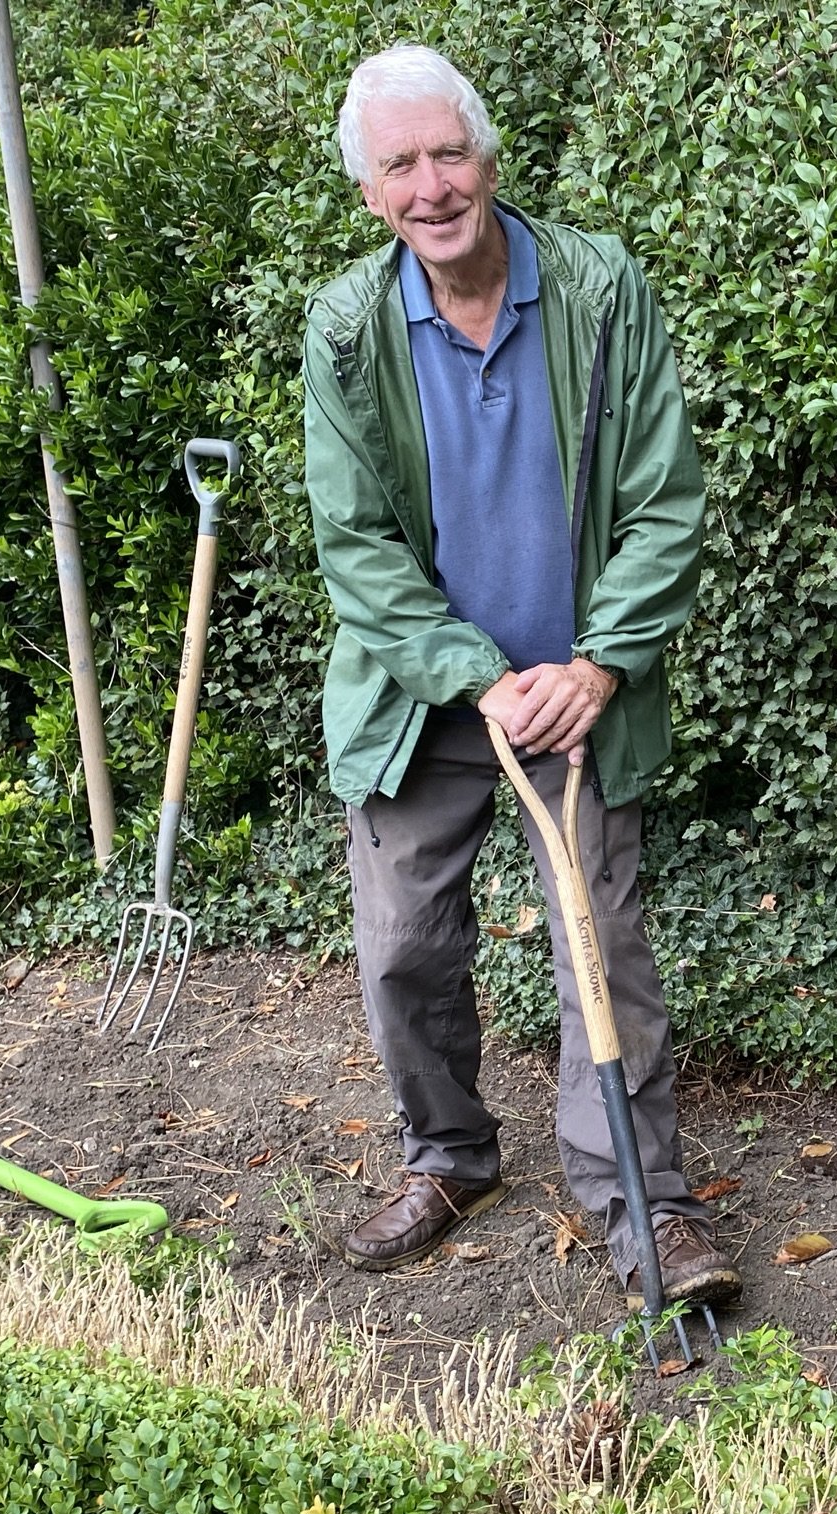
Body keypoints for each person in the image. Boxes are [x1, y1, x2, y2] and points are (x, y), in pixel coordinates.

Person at [301, 44, 738, 1312]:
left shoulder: (598, 288)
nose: (431, 186)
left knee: (601, 949)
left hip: (581, 692)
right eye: (400, 166)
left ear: (486, 157)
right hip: (426, 696)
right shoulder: (346, 331)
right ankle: (448, 1160)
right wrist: (475, 677)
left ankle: (640, 1202)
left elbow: (663, 502)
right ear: (371, 191)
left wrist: (598, 664)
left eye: (449, 153)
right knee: (399, 947)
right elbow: (358, 552)